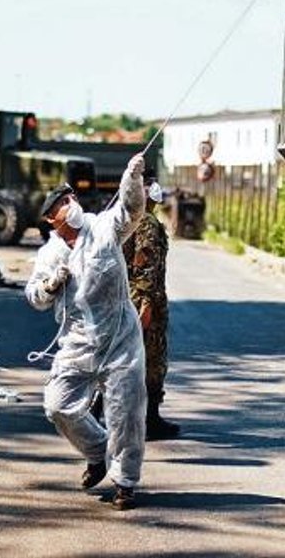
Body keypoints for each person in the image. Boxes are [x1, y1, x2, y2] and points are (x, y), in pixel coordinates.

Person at [25, 154, 147, 511]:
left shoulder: (104, 228)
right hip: (77, 345)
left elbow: (131, 211)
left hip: (120, 340)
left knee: (126, 412)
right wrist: (49, 285)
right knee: (57, 405)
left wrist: (131, 178)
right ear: (51, 218)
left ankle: (125, 482)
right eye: (63, 204)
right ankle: (97, 452)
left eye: (72, 198)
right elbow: (34, 298)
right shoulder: (49, 254)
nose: (72, 204)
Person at [123, 180, 180, 440]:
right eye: (147, 185)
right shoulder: (146, 222)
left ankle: (139, 418)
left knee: (133, 359)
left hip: (134, 298)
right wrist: (146, 303)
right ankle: (149, 420)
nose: (153, 189)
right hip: (145, 301)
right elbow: (145, 264)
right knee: (151, 361)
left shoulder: (131, 218)